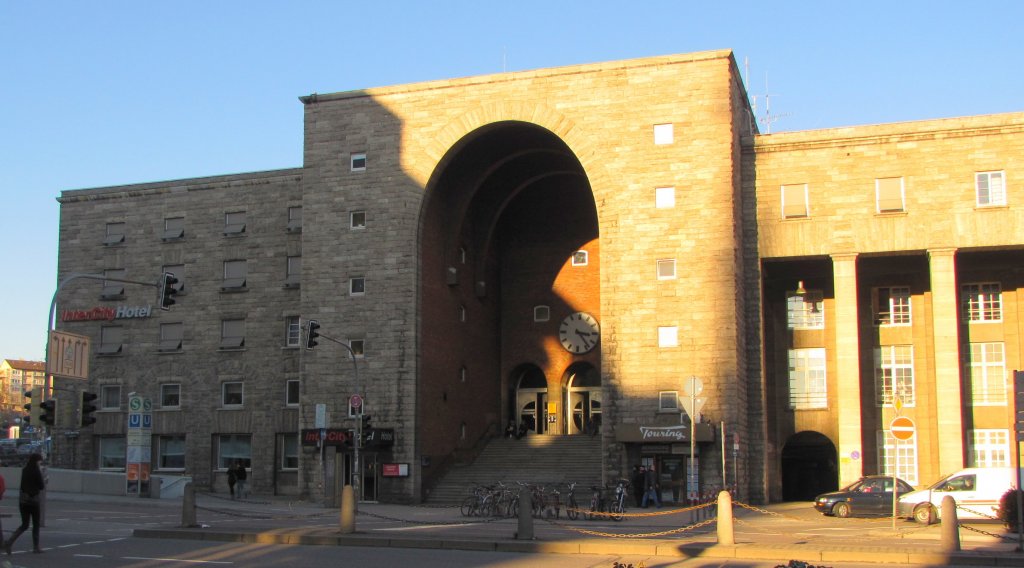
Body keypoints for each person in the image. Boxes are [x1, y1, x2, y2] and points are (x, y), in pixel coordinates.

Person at [5, 453, 45, 554]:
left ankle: (9, 542)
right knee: (35, 525)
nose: (40, 462)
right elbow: (41, 486)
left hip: (23, 501)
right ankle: (36, 547)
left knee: (24, 525)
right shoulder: (36, 471)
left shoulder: (25, 470)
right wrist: (40, 473)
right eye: (40, 460)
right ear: (36, 461)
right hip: (33, 501)